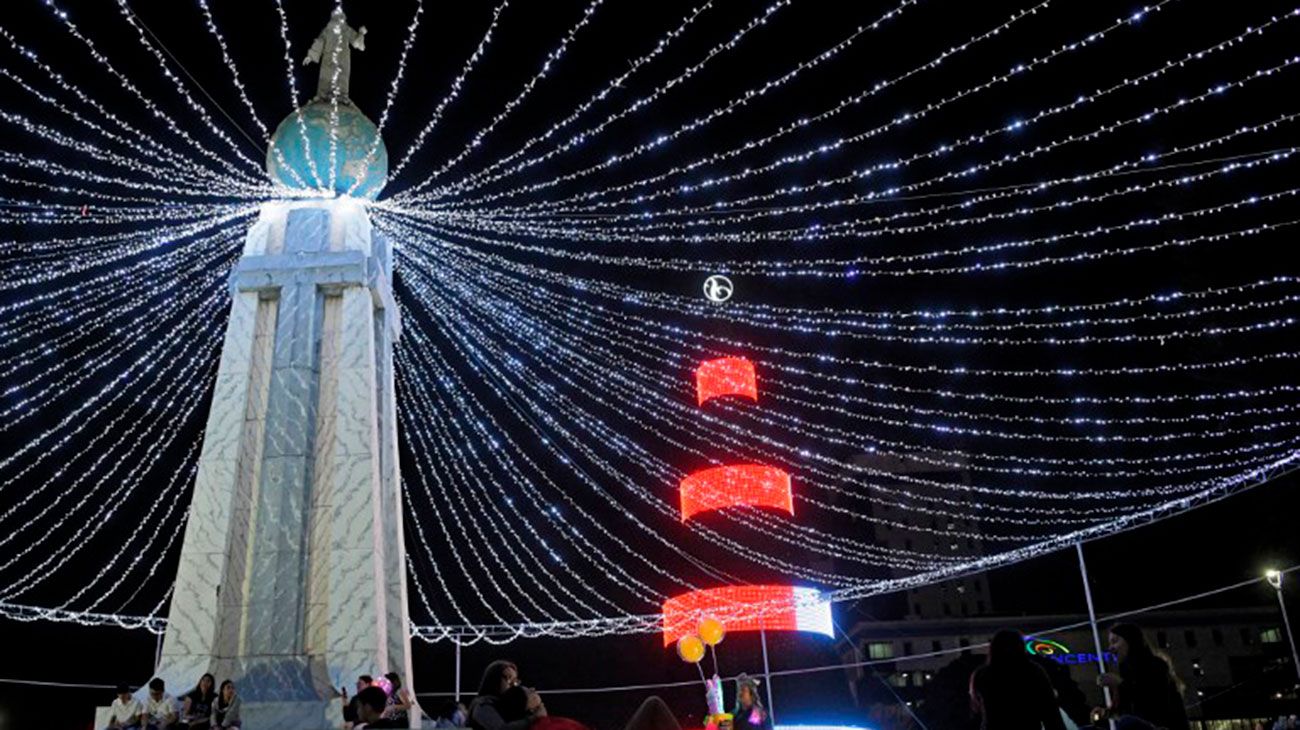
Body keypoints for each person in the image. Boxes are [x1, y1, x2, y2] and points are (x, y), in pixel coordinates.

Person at [1096, 623, 1189, 730]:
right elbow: (1130, 709)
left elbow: (1152, 703)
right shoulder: (1127, 672)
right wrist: (1105, 713)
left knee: (1127, 722)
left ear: (1130, 641)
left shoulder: (1154, 665)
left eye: (1115, 641)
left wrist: (1120, 683)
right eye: (1110, 643)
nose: (1110, 648)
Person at [969, 630, 1067, 730]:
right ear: (1021, 647)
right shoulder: (1033, 671)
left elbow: (976, 711)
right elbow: (1050, 712)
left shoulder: (983, 674)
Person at [469, 661, 543, 730]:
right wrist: (533, 718)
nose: (513, 685)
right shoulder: (482, 705)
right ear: (495, 679)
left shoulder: (506, 704)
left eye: (515, 681)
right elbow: (501, 728)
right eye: (509, 679)